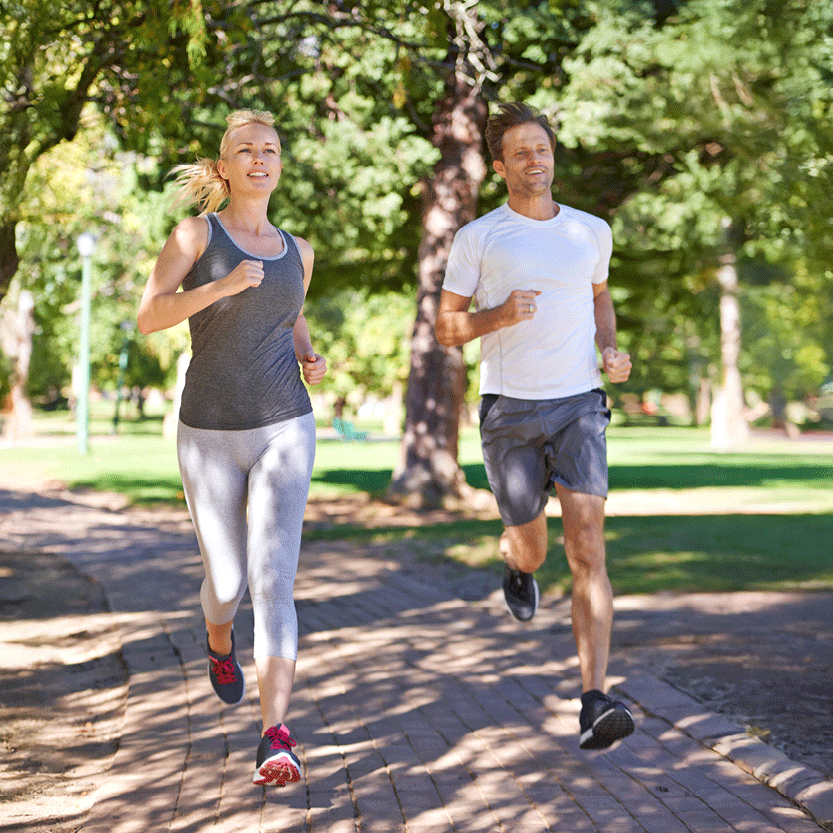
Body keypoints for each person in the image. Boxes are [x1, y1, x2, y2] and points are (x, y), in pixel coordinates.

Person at [436, 102, 635, 751]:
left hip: (579, 402)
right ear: (500, 166)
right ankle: (513, 561)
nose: (534, 159)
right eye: (520, 152)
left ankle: (594, 698)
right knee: (535, 547)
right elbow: (445, 327)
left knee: (587, 546)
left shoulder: (590, 231)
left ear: (553, 155)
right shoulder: (479, 238)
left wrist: (609, 349)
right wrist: (496, 315)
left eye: (541, 149)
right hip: (509, 410)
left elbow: (599, 295)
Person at [137, 109, 327, 786]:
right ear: (223, 168)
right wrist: (218, 285)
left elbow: (291, 311)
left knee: (274, 576)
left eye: (269, 149)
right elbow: (148, 314)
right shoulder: (195, 235)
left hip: (284, 424)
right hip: (208, 431)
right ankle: (219, 641)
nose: (258, 158)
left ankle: (274, 733)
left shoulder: (298, 250)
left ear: (279, 164)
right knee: (226, 581)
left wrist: (308, 354)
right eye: (243, 150)